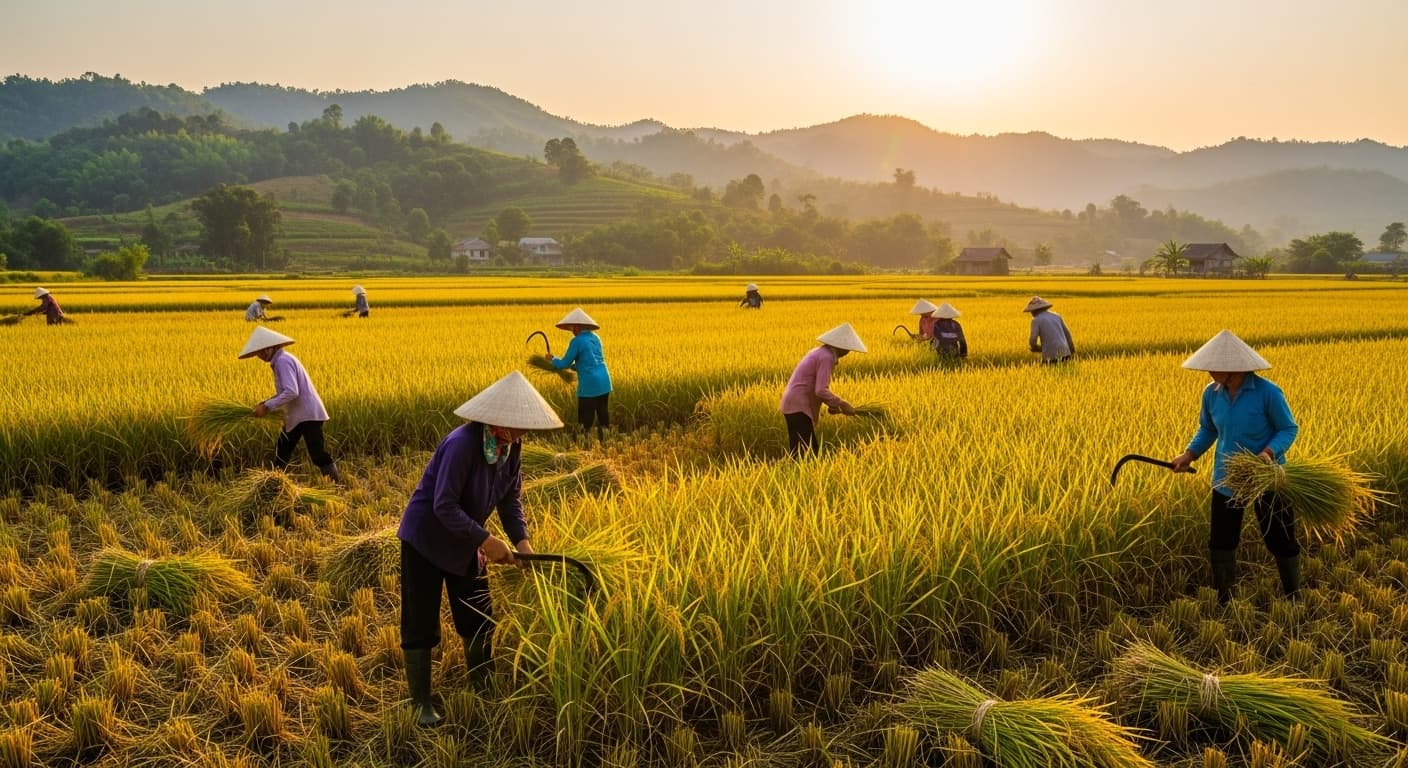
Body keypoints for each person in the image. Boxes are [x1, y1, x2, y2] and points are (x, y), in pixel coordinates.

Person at [396, 371, 563, 726]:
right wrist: (487, 540)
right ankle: (420, 702)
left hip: (465, 538)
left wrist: (522, 543)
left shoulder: (511, 447)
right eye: (518, 425)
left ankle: (482, 683)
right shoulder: (463, 444)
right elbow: (443, 505)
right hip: (426, 538)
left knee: (478, 614)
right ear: (498, 419)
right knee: (420, 619)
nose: (523, 432)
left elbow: (510, 500)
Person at [1170, 330, 1299, 603]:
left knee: (1280, 538)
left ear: (1232, 368)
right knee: (1222, 541)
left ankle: (1293, 594)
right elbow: (1208, 429)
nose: (1208, 372)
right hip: (1227, 478)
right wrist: (1189, 454)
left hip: (1267, 477)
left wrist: (1267, 453)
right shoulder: (1212, 394)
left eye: (1213, 367)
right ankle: (1224, 598)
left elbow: (1288, 428)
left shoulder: (1268, 393)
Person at [237, 326, 341, 482]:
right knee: (282, 449)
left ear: (269, 348)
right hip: (297, 415)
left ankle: (335, 483)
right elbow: (286, 391)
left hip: (308, 414)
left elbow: (292, 391)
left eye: (260, 352)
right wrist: (265, 402)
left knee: (317, 452)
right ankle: (276, 484)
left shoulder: (282, 361)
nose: (259, 356)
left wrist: (267, 407)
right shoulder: (282, 360)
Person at [780, 323, 866, 456]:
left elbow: (815, 386)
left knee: (800, 451)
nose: (848, 353)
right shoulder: (827, 357)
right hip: (799, 405)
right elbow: (820, 390)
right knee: (807, 454)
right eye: (848, 349)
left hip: (792, 403)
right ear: (840, 346)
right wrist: (842, 403)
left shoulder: (819, 352)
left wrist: (832, 405)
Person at [547, 308, 612, 442]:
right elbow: (591, 360)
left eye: (572, 327)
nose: (571, 330)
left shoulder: (577, 341)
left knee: (584, 420)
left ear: (577, 326)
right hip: (604, 381)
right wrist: (574, 366)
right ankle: (606, 442)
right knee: (603, 416)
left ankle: (581, 445)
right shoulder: (596, 338)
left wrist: (552, 360)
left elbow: (563, 363)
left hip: (590, 384)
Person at [1023, 296, 1074, 364]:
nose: (1031, 313)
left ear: (1034, 310)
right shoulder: (1057, 316)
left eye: (1031, 311)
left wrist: (1035, 348)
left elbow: (1033, 340)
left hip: (1050, 354)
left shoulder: (1036, 320)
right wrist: (1072, 350)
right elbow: (1067, 334)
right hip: (1065, 351)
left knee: (1049, 372)